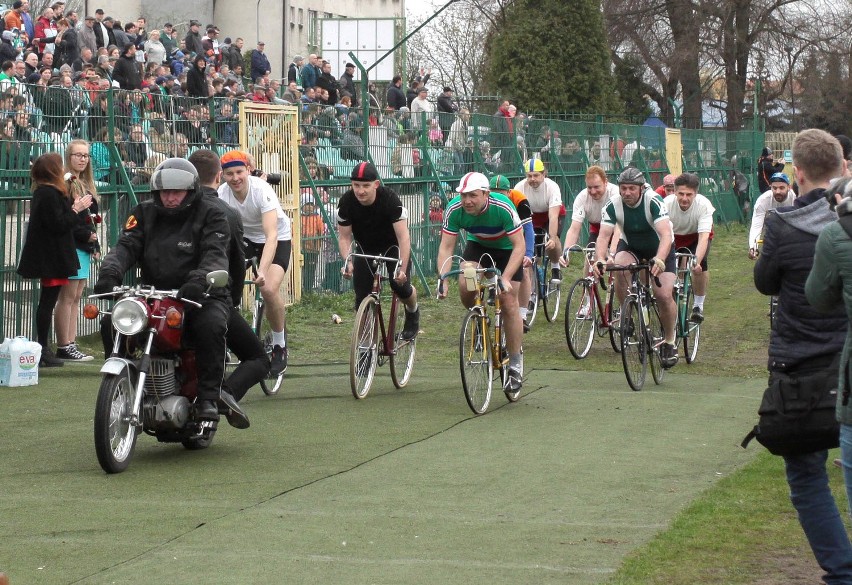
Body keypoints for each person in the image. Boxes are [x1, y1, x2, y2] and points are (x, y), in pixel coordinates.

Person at [755, 128, 852, 583]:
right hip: (840, 360)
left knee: (807, 475)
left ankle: (840, 572)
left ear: (797, 172)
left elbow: (766, 281)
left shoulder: (782, 223)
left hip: (802, 363)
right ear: (843, 167)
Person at [94, 157, 248, 428]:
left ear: (190, 191)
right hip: (154, 293)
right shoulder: (143, 213)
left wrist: (199, 280)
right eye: (165, 192)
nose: (170, 198)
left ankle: (209, 398)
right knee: (113, 320)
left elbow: (216, 253)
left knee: (210, 325)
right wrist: (109, 274)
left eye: (176, 192)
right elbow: (126, 246)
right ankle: (123, 385)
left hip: (203, 292)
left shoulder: (212, 213)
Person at [189, 149, 270, 406]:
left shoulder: (163, 207)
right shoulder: (226, 213)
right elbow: (235, 264)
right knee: (259, 358)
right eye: (228, 174)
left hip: (164, 295)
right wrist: (230, 300)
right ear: (218, 177)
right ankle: (222, 395)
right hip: (209, 296)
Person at [437, 171, 525, 396]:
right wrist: (443, 278)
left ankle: (515, 363)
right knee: (466, 282)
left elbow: (519, 246)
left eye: (473, 196)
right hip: (478, 246)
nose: (467, 201)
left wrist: (504, 278)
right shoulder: (455, 209)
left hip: (507, 250)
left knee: (507, 300)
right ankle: (478, 317)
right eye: (464, 195)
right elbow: (446, 247)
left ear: (486, 194)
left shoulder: (503, 207)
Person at [593, 166, 678, 368]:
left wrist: (659, 259)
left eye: (632, 188)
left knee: (663, 295)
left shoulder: (653, 201)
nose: (627, 193)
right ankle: (627, 314)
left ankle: (669, 341)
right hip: (631, 246)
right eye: (623, 188)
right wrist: (600, 259)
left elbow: (666, 235)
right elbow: (604, 236)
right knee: (620, 267)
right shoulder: (613, 205)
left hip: (660, 248)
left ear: (641, 188)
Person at [218, 150, 292, 376]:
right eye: (229, 174)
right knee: (222, 285)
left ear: (248, 171)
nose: (235, 178)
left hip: (276, 238)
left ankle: (279, 345)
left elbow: (271, 236)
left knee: (268, 288)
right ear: (223, 175)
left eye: (239, 172)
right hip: (245, 239)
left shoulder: (262, 191)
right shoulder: (222, 194)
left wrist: (262, 270)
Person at [16, 152, 91, 367]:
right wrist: (76, 209)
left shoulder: (48, 192)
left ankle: (44, 348)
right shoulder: (47, 193)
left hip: (53, 256)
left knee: (48, 301)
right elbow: (58, 224)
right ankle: (43, 348)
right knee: (47, 302)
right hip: (50, 257)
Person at [336, 161, 420, 339]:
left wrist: (402, 270)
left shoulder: (390, 200)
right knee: (361, 297)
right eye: (356, 185)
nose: (360, 191)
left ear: (376, 184)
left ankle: (412, 311)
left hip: (392, 246)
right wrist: (348, 262)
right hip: (365, 248)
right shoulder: (346, 203)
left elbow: (403, 238)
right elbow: (344, 238)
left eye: (366, 186)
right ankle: (365, 346)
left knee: (400, 287)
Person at [54, 140, 100, 361]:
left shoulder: (85, 182)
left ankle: (71, 342)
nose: (82, 159)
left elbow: (90, 219)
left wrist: (95, 243)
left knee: (77, 295)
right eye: (78, 155)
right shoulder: (65, 183)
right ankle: (64, 344)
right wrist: (85, 236)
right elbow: (68, 218)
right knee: (68, 296)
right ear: (68, 156)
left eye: (86, 155)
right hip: (72, 245)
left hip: (84, 246)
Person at [663, 172, 715, 323]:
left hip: (695, 236)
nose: (684, 198)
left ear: (696, 194)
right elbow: (663, 234)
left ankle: (698, 306)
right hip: (674, 237)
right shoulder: (666, 204)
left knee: (700, 266)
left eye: (689, 194)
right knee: (669, 266)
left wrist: (696, 261)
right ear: (675, 191)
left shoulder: (704, 205)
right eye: (681, 194)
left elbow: (704, 237)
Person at [488, 174, 535, 330]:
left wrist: (528, 254)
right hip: (495, 238)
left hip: (515, 238)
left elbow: (528, 230)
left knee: (525, 270)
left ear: (509, 193)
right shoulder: (486, 202)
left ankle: (522, 314)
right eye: (493, 193)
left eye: (501, 194)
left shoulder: (520, 201)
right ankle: (490, 289)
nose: (497, 197)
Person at [513, 158, 565, 283]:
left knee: (551, 242)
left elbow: (553, 216)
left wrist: (552, 237)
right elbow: (516, 215)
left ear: (543, 174)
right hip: (531, 216)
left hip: (551, 214)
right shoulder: (520, 187)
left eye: (536, 175)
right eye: (529, 176)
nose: (532, 179)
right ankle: (534, 277)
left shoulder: (552, 187)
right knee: (530, 246)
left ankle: (555, 267)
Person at [748, 172, 795, 259]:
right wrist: (753, 247)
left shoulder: (795, 198)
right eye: (774, 188)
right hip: (772, 235)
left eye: (782, 188)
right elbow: (756, 225)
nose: (778, 191)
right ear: (770, 187)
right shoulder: (763, 200)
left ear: (789, 187)